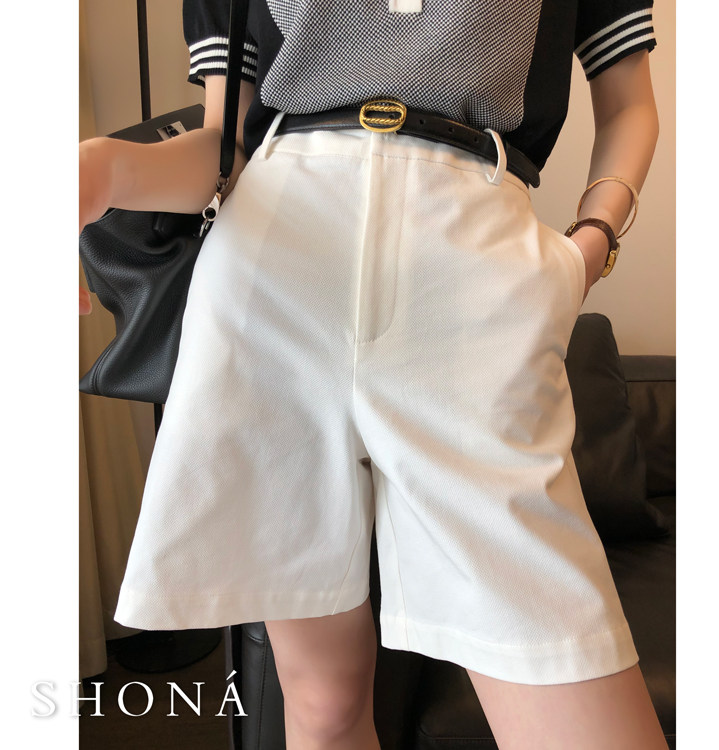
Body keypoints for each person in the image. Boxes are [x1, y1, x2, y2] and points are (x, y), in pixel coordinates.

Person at [79, 1, 668, 747]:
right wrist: (102, 168)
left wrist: (590, 245)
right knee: (322, 705)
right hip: (276, 271)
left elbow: (629, 104)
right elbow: (224, 149)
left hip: (473, 270)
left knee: (563, 674)